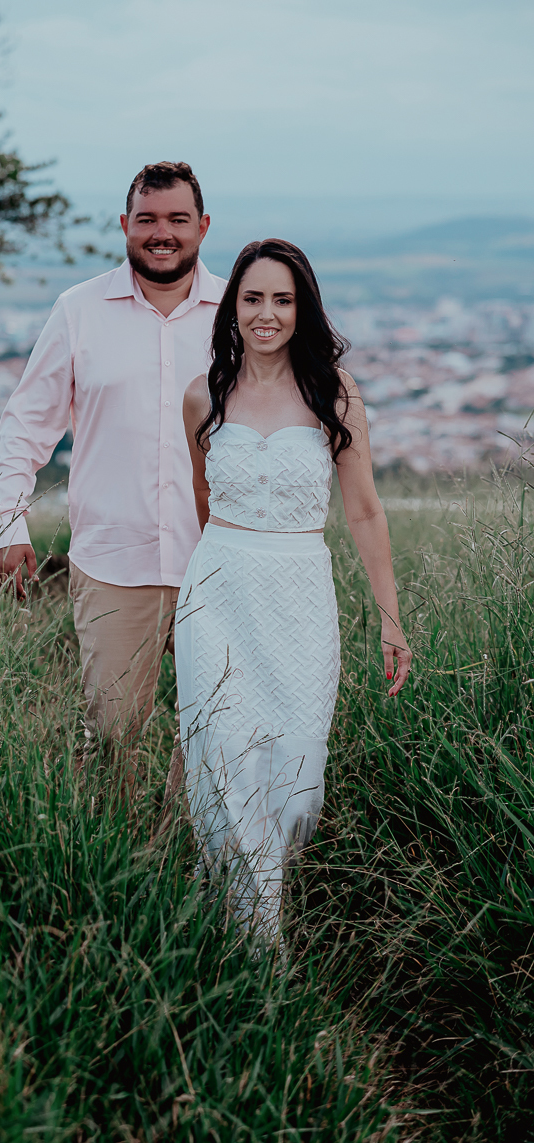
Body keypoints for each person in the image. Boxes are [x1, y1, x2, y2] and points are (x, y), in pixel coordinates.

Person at [175, 238, 412, 946]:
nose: (266, 314)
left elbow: (364, 510)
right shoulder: (202, 395)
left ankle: (240, 910)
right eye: (252, 298)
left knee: (293, 768)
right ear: (232, 308)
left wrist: (389, 619)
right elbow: (200, 496)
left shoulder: (334, 397)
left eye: (282, 299)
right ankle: (255, 947)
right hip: (217, 592)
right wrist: (207, 584)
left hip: (299, 597)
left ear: (301, 308)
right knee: (221, 755)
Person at [0, 162, 226, 788]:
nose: (162, 232)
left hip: (224, 565)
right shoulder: (78, 311)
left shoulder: (239, 313)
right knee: (113, 745)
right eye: (147, 219)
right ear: (125, 226)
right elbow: (25, 424)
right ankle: (118, 873)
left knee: (224, 737)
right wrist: (7, 524)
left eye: (178, 219)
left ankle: (194, 860)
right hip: (115, 565)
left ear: (203, 226)